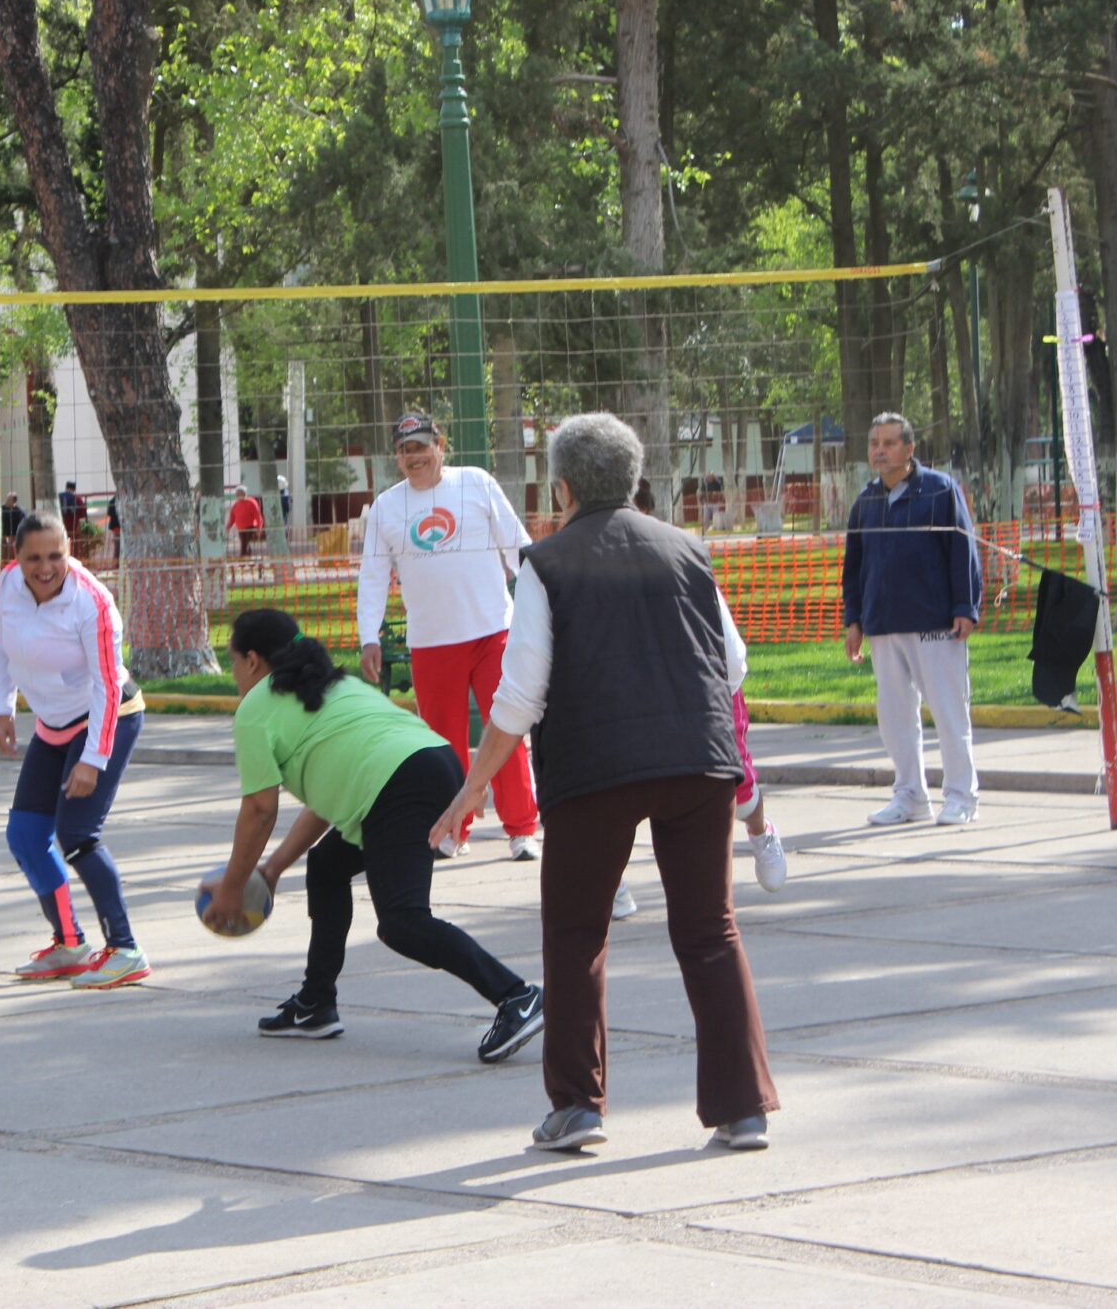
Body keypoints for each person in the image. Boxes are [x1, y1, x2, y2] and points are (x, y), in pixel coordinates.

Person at [436, 413, 779, 1153]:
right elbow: (735, 664)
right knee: (710, 930)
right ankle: (742, 1106)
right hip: (700, 760)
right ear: (632, 479)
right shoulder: (689, 548)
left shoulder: (547, 562)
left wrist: (472, 788)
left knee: (575, 931)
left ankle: (579, 1106)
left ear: (561, 486)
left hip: (596, 769)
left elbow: (520, 695)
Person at [204, 609, 544, 1062]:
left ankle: (515, 995)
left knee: (403, 922)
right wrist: (270, 870)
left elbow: (260, 810)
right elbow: (332, 797)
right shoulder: (333, 683)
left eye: (232, 664)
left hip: (399, 786)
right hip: (433, 764)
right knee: (326, 867)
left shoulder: (255, 709)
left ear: (252, 661)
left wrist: (232, 885)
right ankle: (315, 1003)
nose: (234, 677)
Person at [355, 413, 562, 887]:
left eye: (422, 447)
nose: (415, 458)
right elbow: (372, 575)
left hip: (493, 631)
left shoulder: (477, 484)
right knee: (443, 745)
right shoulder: (387, 507)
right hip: (431, 643)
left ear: (441, 445)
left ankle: (522, 829)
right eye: (406, 451)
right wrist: (370, 634)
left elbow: (517, 547)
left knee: (506, 730)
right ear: (397, 457)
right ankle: (453, 829)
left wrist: (547, 600)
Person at [0, 509, 150, 989]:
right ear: (15, 556)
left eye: (56, 555)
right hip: (53, 723)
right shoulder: (7, 585)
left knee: (77, 833)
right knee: (24, 836)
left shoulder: (92, 603)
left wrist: (92, 759)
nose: (45, 568)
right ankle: (69, 944)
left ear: (70, 551)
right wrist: (3, 707)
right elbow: (2, 646)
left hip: (106, 719)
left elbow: (106, 684)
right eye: (33, 557)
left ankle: (125, 949)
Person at [632, 482, 785, 891]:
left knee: (737, 786)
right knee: (616, 792)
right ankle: (610, 885)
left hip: (708, 691)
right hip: (639, 700)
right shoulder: (589, 568)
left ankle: (760, 831)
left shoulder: (682, 562)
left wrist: (725, 696)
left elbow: (728, 650)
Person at [842, 412, 982, 826]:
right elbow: (854, 566)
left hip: (935, 623)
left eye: (888, 443)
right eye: (874, 444)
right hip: (883, 626)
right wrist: (855, 620)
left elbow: (963, 552)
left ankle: (961, 797)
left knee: (949, 712)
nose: (879, 451)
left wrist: (965, 607)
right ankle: (910, 796)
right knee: (895, 718)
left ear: (909, 448)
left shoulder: (939, 491)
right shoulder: (866, 501)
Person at [227, 484, 265, 556]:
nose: (239, 495)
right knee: (244, 543)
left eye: (241, 493)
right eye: (238, 493)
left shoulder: (251, 502)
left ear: (245, 493)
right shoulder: (236, 504)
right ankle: (247, 559)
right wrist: (227, 527)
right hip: (241, 529)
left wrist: (259, 528)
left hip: (249, 527)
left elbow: (257, 516)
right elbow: (232, 518)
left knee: (245, 544)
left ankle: (243, 558)